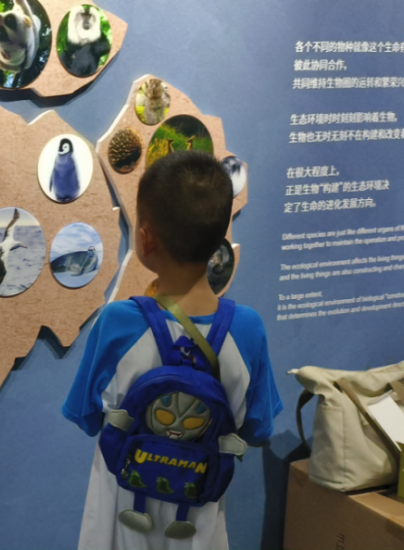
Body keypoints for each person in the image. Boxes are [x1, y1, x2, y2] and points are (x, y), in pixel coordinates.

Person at [62, 151, 282, 550]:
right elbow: (257, 431)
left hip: (115, 530)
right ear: (219, 240)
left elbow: (87, 417)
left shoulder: (117, 323)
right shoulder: (248, 329)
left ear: (145, 239)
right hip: (199, 534)